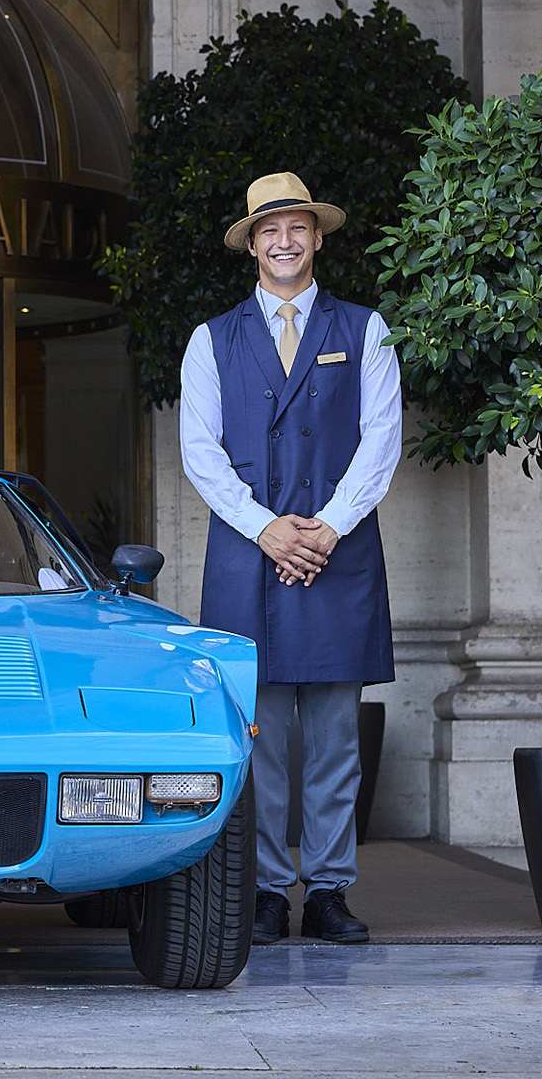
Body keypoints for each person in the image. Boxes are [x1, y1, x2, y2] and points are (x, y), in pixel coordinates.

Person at [179, 172, 401, 945]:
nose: (284, 240)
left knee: (337, 738)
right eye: (270, 229)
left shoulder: (365, 330)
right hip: (249, 556)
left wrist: (326, 530)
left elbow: (382, 444)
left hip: (337, 554)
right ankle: (270, 889)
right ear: (252, 243)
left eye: (297, 227)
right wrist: (267, 529)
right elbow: (200, 455)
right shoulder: (211, 339)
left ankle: (331, 890)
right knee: (261, 737)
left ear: (316, 236)